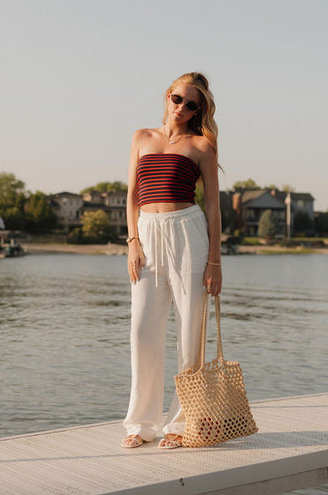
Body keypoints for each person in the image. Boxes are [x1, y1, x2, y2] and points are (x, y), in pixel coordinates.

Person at [121, 72, 222, 450]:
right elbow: (133, 195)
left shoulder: (202, 145)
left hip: (188, 233)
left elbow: (213, 208)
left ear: (200, 110)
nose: (182, 107)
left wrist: (215, 261)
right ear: (168, 96)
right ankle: (142, 424)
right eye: (178, 99)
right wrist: (132, 242)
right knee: (142, 330)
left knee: (190, 333)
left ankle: (180, 424)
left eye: (192, 104)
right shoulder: (141, 137)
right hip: (147, 233)